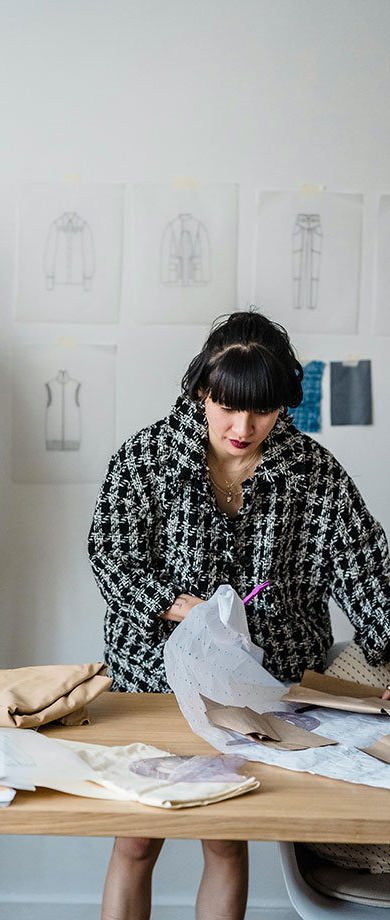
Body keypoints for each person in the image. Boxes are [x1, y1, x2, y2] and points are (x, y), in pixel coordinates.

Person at [88, 309, 390, 920]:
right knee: (137, 835)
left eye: (262, 410)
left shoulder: (313, 473)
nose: (242, 426)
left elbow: (369, 576)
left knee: (226, 834)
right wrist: (179, 607)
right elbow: (109, 551)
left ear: (283, 405)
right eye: (227, 405)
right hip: (155, 681)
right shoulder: (147, 457)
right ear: (202, 389)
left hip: (265, 691)